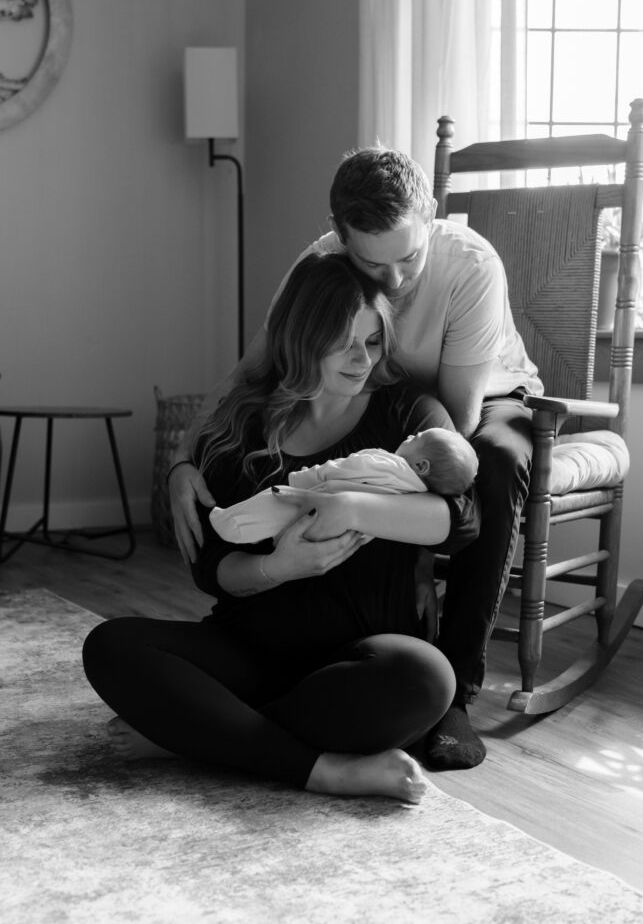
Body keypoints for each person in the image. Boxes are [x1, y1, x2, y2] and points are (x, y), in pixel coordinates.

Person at [169, 146, 542, 771]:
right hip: (373, 400)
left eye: (408, 258)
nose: (393, 280)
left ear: (430, 215)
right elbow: (253, 370)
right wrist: (183, 457)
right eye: (373, 263)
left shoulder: (471, 265)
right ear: (340, 235)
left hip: (477, 401)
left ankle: (456, 690)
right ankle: (286, 688)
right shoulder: (320, 262)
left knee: (494, 463)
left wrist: (409, 546)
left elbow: (458, 420)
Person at [82, 253, 480, 805]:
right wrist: (279, 567)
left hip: (357, 662)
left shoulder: (409, 415)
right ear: (300, 340)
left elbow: (461, 522)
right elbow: (211, 569)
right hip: (250, 650)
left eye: (372, 342)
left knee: (427, 677)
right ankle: (323, 770)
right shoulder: (242, 424)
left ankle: (200, 735)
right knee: (110, 645)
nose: (361, 359)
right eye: (342, 343)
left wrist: (350, 507)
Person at [208, 426, 478, 544]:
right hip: (339, 528)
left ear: (421, 466)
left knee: (273, 502)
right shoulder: (414, 493)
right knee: (282, 524)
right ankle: (251, 532)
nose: (409, 436)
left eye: (416, 438)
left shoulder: (391, 464)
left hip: (320, 493)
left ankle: (230, 521)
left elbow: (351, 467)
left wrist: (313, 475)